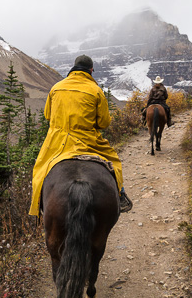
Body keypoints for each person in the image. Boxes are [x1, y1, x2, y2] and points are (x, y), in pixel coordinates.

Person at [29, 54, 133, 216]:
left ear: (73, 68)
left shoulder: (56, 88)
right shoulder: (96, 91)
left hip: (58, 141)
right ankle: (120, 194)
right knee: (114, 162)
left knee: (40, 169)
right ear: (91, 70)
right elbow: (104, 123)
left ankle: (38, 204)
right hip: (88, 140)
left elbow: (48, 115)